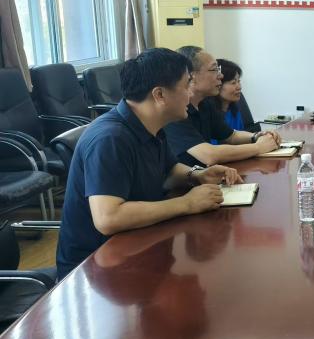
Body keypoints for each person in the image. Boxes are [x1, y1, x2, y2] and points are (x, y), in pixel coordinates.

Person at [56, 48, 242, 279]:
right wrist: (187, 203)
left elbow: (169, 170)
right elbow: (108, 218)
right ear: (159, 95)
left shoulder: (151, 124)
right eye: (186, 85)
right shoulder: (111, 139)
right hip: (94, 271)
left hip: (135, 245)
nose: (190, 93)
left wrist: (197, 175)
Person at [164, 46, 280, 166]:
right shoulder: (174, 110)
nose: (221, 76)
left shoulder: (205, 103)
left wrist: (256, 136)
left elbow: (231, 136)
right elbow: (209, 155)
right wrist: (258, 147)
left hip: (204, 175)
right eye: (214, 69)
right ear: (191, 76)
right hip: (186, 178)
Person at [214, 59, 259, 134]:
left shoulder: (234, 110)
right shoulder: (209, 114)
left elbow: (242, 136)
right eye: (233, 82)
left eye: (238, 81)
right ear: (217, 84)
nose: (239, 87)